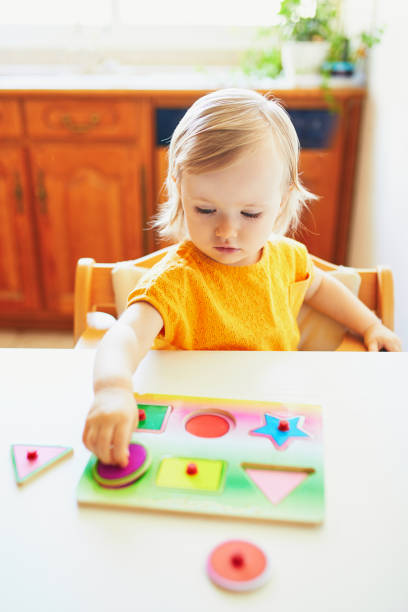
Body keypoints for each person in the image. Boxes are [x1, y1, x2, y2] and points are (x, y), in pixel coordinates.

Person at [82, 88, 402, 468]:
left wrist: (370, 325)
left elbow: (319, 286)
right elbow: (127, 335)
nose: (226, 232)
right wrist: (113, 389)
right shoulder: (176, 280)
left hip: (273, 418)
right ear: (181, 194)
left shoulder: (285, 258)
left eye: (249, 213)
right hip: (192, 426)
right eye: (205, 209)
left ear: (281, 201)